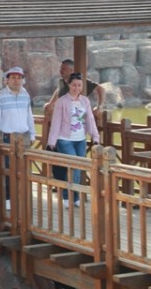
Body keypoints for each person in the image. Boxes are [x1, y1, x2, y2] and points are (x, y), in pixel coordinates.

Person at [47, 72, 100, 208]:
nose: (76, 88)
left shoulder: (85, 101)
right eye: (74, 85)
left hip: (80, 139)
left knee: (78, 167)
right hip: (64, 139)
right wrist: (51, 141)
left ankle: (74, 197)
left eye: (79, 85)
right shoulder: (61, 101)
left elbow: (90, 119)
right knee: (74, 166)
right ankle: (67, 197)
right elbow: (56, 122)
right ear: (69, 85)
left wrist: (95, 136)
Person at [0, 67, 36, 210]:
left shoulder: (25, 95)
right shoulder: (0, 97)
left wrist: (33, 134)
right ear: (7, 80)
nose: (16, 80)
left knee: (24, 168)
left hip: (24, 137)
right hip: (7, 137)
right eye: (13, 78)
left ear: (22, 80)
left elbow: (29, 116)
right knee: (9, 170)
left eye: (19, 78)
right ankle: (8, 198)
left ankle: (23, 197)